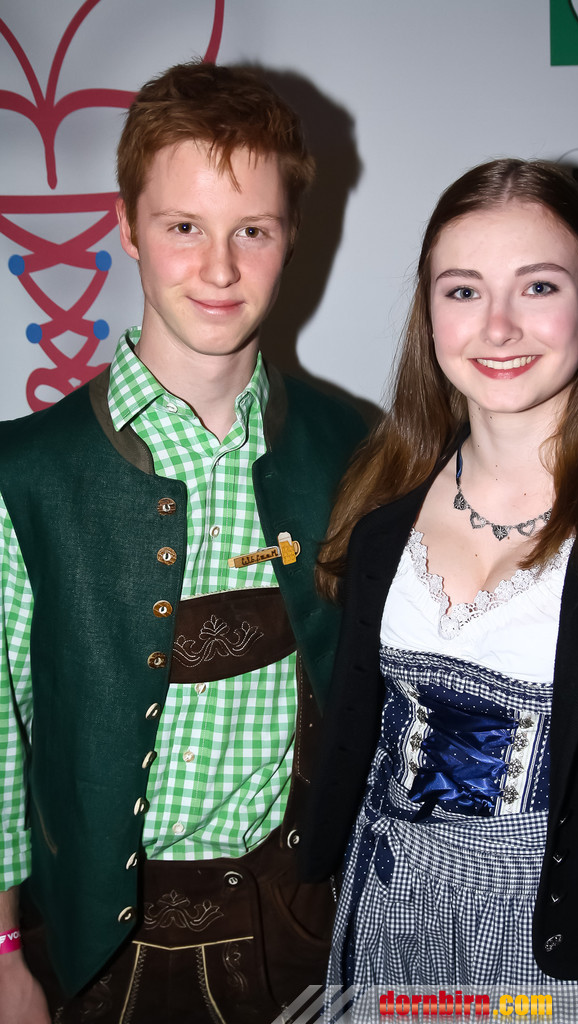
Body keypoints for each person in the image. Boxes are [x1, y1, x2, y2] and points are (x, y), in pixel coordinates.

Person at [0, 61, 366, 1024]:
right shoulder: (22, 476)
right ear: (126, 226)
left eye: (253, 230)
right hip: (93, 965)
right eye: (183, 227)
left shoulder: (355, 448)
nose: (220, 269)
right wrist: (2, 955)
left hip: (310, 945)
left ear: (293, 235)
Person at [300, 159, 578, 1021]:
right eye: (464, 291)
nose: (498, 326)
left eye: (538, 286)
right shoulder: (381, 515)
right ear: (430, 314)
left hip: (555, 944)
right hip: (383, 916)